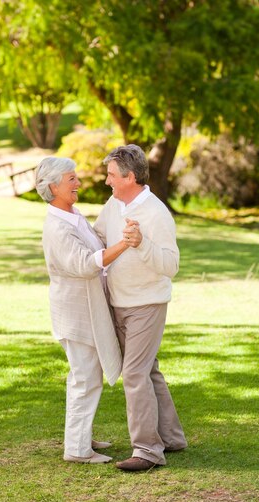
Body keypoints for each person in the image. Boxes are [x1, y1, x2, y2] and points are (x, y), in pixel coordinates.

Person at [94, 144, 187, 471]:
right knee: (147, 371)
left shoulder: (156, 212)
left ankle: (148, 451)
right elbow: (98, 237)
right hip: (120, 301)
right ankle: (172, 437)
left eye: (111, 175)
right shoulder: (113, 204)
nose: (107, 181)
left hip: (147, 304)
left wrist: (142, 244)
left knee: (134, 373)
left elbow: (171, 265)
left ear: (130, 177)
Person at [37, 156, 131, 464]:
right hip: (75, 314)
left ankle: (82, 436)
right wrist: (125, 244)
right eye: (71, 179)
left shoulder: (72, 215)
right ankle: (77, 450)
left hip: (86, 310)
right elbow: (84, 264)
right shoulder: (58, 228)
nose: (78, 183)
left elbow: (95, 242)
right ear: (54, 187)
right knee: (85, 377)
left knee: (88, 374)